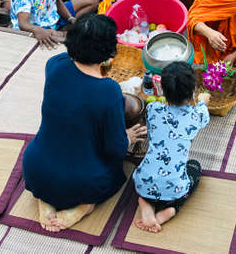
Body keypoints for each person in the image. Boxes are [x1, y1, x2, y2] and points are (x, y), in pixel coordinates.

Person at [22, 13, 147, 232]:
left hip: (35, 170)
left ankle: (44, 198)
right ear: (109, 53)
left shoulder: (54, 65)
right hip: (80, 183)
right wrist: (127, 136)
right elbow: (115, 149)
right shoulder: (109, 91)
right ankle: (83, 207)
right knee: (116, 171)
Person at [132, 61, 211, 233]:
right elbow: (204, 114)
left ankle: (146, 202)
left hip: (143, 182)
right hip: (174, 188)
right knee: (194, 166)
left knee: (151, 171)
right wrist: (202, 101)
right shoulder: (197, 115)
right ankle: (172, 209)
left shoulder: (152, 109)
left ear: (162, 90)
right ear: (192, 91)